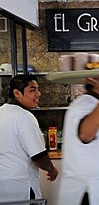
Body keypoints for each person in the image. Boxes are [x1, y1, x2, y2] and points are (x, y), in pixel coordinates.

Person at [58, 76, 99, 205]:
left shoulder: (94, 104)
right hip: (88, 194)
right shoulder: (83, 104)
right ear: (97, 83)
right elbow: (86, 134)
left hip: (98, 192)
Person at [0, 74, 58, 202]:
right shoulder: (25, 117)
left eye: (38, 89)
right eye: (32, 90)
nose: (38, 93)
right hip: (21, 188)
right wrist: (51, 169)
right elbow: (38, 155)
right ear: (17, 93)